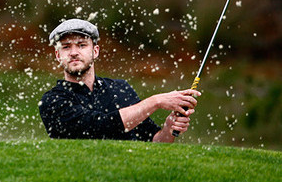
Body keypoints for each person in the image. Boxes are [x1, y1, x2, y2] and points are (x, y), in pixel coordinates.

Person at [38, 18, 200, 142]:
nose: (73, 52)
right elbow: (96, 128)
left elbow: (153, 142)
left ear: (95, 51)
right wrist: (155, 101)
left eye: (81, 45)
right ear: (58, 55)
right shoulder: (53, 101)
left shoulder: (120, 88)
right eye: (66, 47)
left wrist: (168, 129)